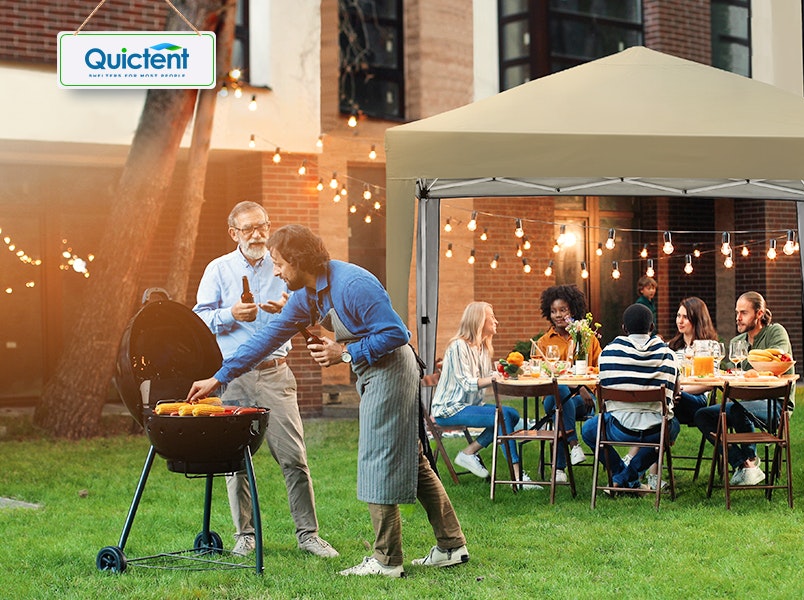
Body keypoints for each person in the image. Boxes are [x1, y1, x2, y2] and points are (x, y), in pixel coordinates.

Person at [188, 224, 468, 578]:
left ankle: (386, 561)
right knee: (412, 461)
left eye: (278, 263)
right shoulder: (308, 295)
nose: (275, 271)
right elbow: (267, 338)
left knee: (377, 458)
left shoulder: (352, 284)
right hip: (371, 369)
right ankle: (452, 545)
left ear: (298, 259)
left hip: (393, 368)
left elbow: (397, 333)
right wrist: (219, 376)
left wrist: (345, 352)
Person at [192, 201, 336, 559]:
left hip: (275, 373)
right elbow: (198, 320)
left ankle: (308, 535)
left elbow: (313, 314)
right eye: (248, 229)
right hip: (234, 377)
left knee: (293, 457)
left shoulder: (283, 266)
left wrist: (291, 305)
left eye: (262, 226)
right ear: (233, 233)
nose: (257, 234)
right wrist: (229, 314)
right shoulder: (219, 269)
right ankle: (246, 536)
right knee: (235, 461)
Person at [430, 302, 541, 489]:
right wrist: (495, 377)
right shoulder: (458, 346)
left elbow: (485, 377)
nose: (496, 321)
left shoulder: (483, 348)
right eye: (492, 317)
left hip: (472, 406)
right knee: (503, 417)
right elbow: (467, 383)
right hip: (450, 408)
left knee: (511, 414)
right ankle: (517, 477)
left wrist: (508, 372)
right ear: (480, 321)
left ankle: (469, 452)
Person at [693, 291, 793, 486]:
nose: (738, 317)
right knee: (702, 415)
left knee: (739, 409)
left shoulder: (775, 332)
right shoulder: (737, 342)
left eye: (744, 312)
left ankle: (749, 465)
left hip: (775, 405)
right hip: (743, 403)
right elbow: (735, 376)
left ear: (759, 313)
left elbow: (779, 361)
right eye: (736, 312)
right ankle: (745, 464)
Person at [580, 303, 679, 492]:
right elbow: (674, 393)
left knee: (588, 431)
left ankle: (620, 477)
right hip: (656, 431)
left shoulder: (607, 354)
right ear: (652, 328)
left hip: (619, 429)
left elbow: (604, 395)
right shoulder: (669, 356)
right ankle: (628, 478)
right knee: (672, 428)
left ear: (624, 328)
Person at [534, 284, 602, 483]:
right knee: (560, 395)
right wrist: (578, 387)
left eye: (563, 310)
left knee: (560, 406)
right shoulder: (544, 342)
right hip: (555, 397)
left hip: (584, 402)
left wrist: (585, 387)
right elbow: (542, 377)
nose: (558, 315)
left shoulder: (588, 338)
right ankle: (573, 444)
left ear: (573, 310)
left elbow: (599, 370)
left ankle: (559, 469)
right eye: (554, 311)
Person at [666, 297, 719, 426]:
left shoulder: (710, 347)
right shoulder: (671, 347)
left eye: (685, 317)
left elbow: (710, 384)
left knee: (668, 401)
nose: (680, 321)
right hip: (673, 398)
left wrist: (681, 391)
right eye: (678, 316)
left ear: (697, 320)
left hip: (696, 399)